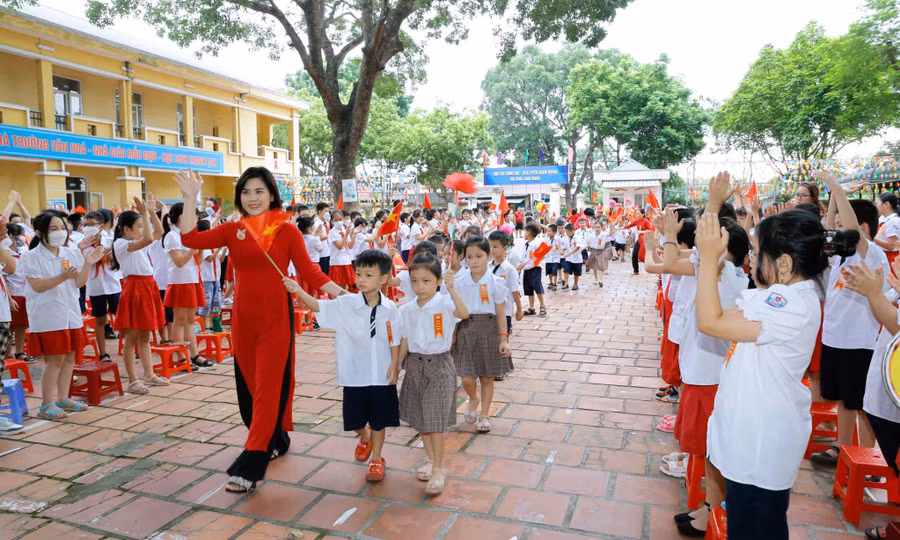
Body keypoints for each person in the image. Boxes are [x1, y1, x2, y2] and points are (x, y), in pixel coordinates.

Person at [174, 167, 345, 493]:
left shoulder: (287, 231)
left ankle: (251, 464)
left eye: (259, 191)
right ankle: (276, 437)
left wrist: (352, 296)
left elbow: (311, 272)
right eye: (246, 192)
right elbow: (189, 238)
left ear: (271, 195)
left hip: (275, 320)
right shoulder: (232, 229)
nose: (252, 198)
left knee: (267, 386)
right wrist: (188, 198)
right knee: (251, 389)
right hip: (242, 321)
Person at [699, 195, 858, 538]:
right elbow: (721, 316)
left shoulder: (789, 305)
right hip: (754, 437)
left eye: (757, 252)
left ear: (784, 264)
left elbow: (709, 321)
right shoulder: (783, 297)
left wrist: (710, 259)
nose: (751, 258)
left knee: (756, 528)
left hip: (760, 445)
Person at [285, 250, 400, 483]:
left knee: (380, 420)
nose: (361, 279)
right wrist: (298, 292)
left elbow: (395, 339)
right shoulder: (346, 304)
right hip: (354, 374)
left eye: (369, 275)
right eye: (359, 274)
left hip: (381, 374)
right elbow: (318, 307)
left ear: (383, 279)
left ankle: (377, 458)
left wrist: (395, 365)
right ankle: (364, 435)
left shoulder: (391, 309)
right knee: (355, 419)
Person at [810, 172, 887, 467]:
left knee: (861, 403)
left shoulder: (871, 253)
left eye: (846, 225)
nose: (838, 230)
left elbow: (850, 229)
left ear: (862, 228)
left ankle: (867, 455)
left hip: (859, 341)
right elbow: (827, 230)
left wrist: (835, 189)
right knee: (843, 398)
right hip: (834, 337)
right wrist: (833, 198)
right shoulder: (838, 255)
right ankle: (841, 449)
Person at [22, 210, 105, 420]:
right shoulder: (31, 256)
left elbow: (79, 283)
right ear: (39, 232)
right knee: (55, 360)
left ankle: (63, 398)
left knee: (69, 358)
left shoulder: (70, 253)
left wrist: (88, 263)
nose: (60, 232)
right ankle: (46, 404)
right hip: (48, 315)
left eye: (62, 228)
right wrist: (63, 276)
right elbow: (38, 285)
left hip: (70, 312)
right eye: (54, 229)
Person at [399, 252, 468, 495]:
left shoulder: (445, 302)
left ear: (438, 280)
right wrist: (397, 366)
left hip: (440, 365)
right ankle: (430, 458)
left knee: (435, 420)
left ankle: (439, 467)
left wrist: (452, 288)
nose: (420, 286)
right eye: (415, 281)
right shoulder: (407, 309)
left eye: (426, 280)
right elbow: (405, 339)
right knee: (422, 419)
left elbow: (464, 313)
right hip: (415, 366)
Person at [842, 258, 900, 540]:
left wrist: (875, 294)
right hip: (889, 385)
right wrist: (878, 293)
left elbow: (894, 322)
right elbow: (887, 312)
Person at [111, 197, 170, 395]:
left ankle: (149, 373)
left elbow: (160, 233)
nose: (142, 229)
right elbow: (148, 238)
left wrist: (151, 212)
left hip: (148, 286)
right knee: (131, 338)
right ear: (126, 229)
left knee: (145, 335)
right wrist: (145, 213)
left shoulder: (137, 242)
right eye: (139, 226)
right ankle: (133, 380)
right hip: (135, 288)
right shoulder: (121, 244)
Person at [454, 236, 511, 434]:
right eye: (470, 257)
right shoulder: (459, 282)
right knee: (467, 377)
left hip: (489, 330)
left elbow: (501, 312)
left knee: (487, 377)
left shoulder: (496, 282)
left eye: (479, 256)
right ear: (464, 259)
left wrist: (503, 339)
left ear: (489, 255)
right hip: (466, 330)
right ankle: (473, 398)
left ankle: (484, 414)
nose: (474, 261)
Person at [162, 203, 210, 370]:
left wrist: (200, 246)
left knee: (190, 320)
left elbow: (198, 259)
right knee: (179, 321)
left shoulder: (187, 235)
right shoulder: (172, 236)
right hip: (180, 281)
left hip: (192, 279)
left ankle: (194, 354)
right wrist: (194, 248)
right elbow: (179, 261)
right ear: (179, 218)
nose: (194, 221)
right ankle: (181, 356)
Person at [82, 211, 122, 354]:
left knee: (120, 316)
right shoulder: (82, 243)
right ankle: (103, 352)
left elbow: (119, 260)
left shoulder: (110, 239)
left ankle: (127, 347)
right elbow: (80, 263)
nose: (88, 227)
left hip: (112, 283)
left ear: (101, 226)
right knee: (100, 319)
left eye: (92, 224)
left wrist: (110, 255)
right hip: (95, 286)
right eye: (86, 224)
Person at [3, 222, 31, 363]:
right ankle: (7, 356)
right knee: (10, 327)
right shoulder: (5, 253)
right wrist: (9, 298)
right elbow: (4, 278)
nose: (22, 237)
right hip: (12, 293)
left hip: (25, 292)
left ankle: (19, 352)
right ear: (11, 237)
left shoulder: (24, 250)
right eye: (19, 235)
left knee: (22, 325)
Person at [519, 222, 547, 315]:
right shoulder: (525, 245)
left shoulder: (536, 244)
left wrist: (536, 260)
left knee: (537, 286)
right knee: (529, 288)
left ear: (529, 234)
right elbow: (523, 257)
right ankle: (531, 308)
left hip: (535, 269)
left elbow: (542, 255)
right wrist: (520, 265)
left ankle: (542, 305)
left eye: (524, 232)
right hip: (527, 269)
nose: (523, 234)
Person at [624, 207, 654, 275]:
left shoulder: (646, 221)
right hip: (639, 240)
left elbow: (650, 230)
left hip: (645, 240)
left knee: (644, 256)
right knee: (634, 254)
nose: (637, 215)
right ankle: (636, 270)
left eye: (638, 213)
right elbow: (628, 226)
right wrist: (619, 228)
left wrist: (642, 231)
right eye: (636, 214)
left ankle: (653, 267)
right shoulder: (636, 221)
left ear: (643, 214)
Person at [874, 192, 900, 268]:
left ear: (886, 204)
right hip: (882, 255)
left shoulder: (894, 221)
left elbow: (890, 246)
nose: (875, 206)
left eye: (877, 204)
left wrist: (871, 237)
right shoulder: (882, 218)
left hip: (891, 257)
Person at [586, 221, 611, 287]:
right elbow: (588, 243)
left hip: (601, 251)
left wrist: (613, 225)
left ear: (602, 227)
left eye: (599, 227)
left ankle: (601, 280)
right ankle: (596, 278)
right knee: (594, 266)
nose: (597, 229)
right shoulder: (591, 234)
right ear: (593, 227)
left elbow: (610, 234)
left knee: (601, 266)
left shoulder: (604, 234)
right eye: (596, 227)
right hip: (593, 251)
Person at [560, 223, 584, 290]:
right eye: (566, 232)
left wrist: (569, 253)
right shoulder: (566, 238)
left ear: (572, 231)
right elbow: (564, 246)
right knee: (566, 270)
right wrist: (562, 250)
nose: (566, 233)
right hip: (568, 258)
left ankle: (575, 284)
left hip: (577, 258)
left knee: (576, 272)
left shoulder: (577, 237)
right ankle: (566, 283)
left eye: (567, 232)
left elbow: (577, 247)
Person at [544, 224, 561, 291]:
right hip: (548, 258)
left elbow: (562, 246)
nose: (548, 233)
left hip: (556, 258)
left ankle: (554, 283)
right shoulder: (546, 239)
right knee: (549, 271)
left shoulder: (558, 239)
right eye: (547, 231)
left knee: (554, 271)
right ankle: (551, 282)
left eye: (549, 231)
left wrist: (562, 251)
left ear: (554, 232)